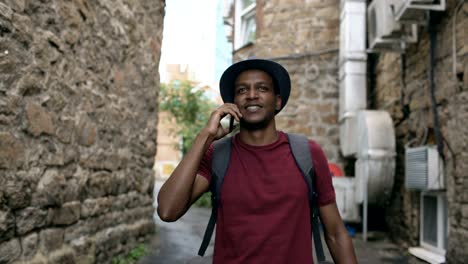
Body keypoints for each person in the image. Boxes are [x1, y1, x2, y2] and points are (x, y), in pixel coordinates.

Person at [157, 59, 358, 264]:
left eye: (262, 88)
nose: (251, 95)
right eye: (242, 90)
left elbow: (335, 233)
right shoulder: (217, 155)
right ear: (233, 103)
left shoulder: (307, 153)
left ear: (277, 101)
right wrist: (205, 137)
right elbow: (167, 210)